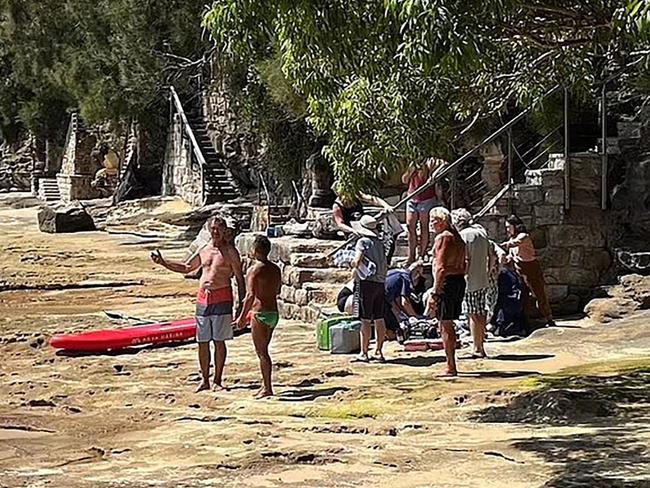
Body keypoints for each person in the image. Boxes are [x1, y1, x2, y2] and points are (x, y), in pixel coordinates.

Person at [151, 216, 245, 392]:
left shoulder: (230, 252)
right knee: (202, 341)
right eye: (213, 229)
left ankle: (217, 380)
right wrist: (163, 262)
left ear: (225, 231)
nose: (216, 232)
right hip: (203, 299)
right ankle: (204, 379)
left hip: (223, 297)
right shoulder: (205, 249)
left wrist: (241, 305)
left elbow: (240, 279)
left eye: (219, 229)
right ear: (210, 230)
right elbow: (187, 267)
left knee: (219, 341)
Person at [234, 235, 282, 399]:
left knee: (262, 352)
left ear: (254, 250)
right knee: (264, 350)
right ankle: (265, 384)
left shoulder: (254, 270)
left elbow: (250, 295)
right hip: (274, 312)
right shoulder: (275, 269)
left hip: (260, 313)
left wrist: (242, 317)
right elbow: (278, 291)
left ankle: (267, 387)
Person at [427, 207, 466, 377]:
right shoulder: (457, 237)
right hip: (458, 280)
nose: (430, 224)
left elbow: (441, 267)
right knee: (447, 322)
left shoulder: (444, 238)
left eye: (433, 220)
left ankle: (451, 365)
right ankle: (451, 363)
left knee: (445, 323)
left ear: (441, 221)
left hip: (447, 282)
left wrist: (435, 291)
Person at [500, 215, 555, 327]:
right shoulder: (512, 238)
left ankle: (548, 318)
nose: (507, 230)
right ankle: (526, 320)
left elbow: (514, 243)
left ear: (515, 226)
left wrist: (497, 246)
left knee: (539, 293)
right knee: (523, 294)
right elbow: (511, 255)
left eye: (508, 227)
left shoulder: (523, 236)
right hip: (519, 269)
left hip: (531, 268)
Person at [451, 208, 492, 358]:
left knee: (472, 314)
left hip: (470, 282)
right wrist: (488, 271)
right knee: (481, 312)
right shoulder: (481, 232)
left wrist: (463, 276)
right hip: (482, 278)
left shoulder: (462, 236)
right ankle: (481, 345)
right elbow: (491, 255)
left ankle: (477, 348)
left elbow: (465, 260)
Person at [331, 183, 401, 264]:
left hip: (365, 226)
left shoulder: (355, 195)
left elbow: (372, 199)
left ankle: (385, 261)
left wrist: (386, 206)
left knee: (385, 234)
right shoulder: (337, 206)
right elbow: (340, 224)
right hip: (353, 232)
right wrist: (352, 230)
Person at [350, 215, 388, 362]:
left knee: (365, 319)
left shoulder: (362, 242)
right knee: (379, 317)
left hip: (367, 282)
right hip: (380, 282)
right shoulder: (380, 243)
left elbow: (357, 261)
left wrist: (351, 263)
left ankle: (364, 352)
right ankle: (378, 351)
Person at [402, 158, 446, 265]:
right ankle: (411, 255)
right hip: (412, 197)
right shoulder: (413, 164)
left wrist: (433, 175)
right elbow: (404, 180)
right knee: (410, 225)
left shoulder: (430, 162)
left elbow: (444, 164)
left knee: (424, 226)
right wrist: (410, 171)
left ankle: (421, 254)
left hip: (426, 198)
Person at [384, 262, 424, 337]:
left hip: (376, 295)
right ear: (416, 272)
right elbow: (405, 302)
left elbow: (396, 300)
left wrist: (402, 314)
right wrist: (416, 317)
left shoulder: (395, 271)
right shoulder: (406, 278)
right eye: (419, 274)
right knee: (394, 331)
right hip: (383, 301)